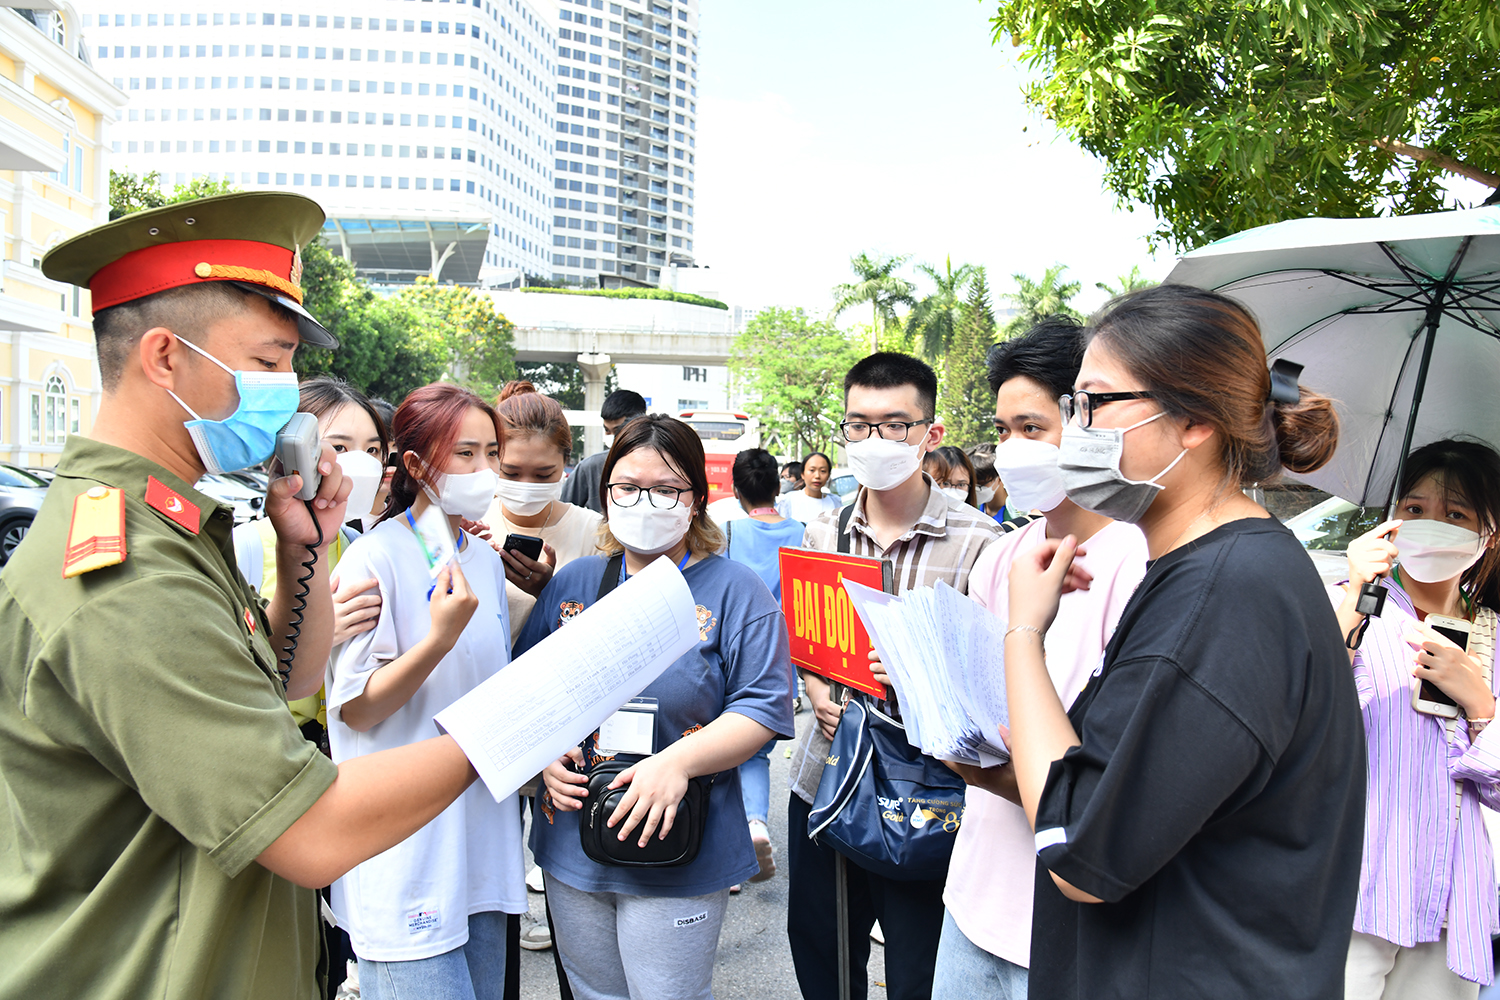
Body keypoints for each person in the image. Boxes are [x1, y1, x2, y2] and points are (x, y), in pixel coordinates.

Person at [1, 192, 490, 1000]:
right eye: (266, 364)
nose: (287, 391)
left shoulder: (169, 522)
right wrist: (521, 726)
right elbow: (313, 832)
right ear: (165, 357)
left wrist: (306, 551)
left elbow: (288, 682)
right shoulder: (127, 575)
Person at [1004, 284, 1364, 999]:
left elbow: (1081, 854)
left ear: (1195, 421)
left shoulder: (1225, 594)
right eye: (1075, 406)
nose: (1077, 431)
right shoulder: (1227, 568)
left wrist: (1023, 633)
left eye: (1095, 404)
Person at [521, 415, 795, 1000]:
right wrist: (542, 757)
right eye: (628, 487)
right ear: (606, 495)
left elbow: (764, 705)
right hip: (573, 839)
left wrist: (678, 763)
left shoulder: (736, 590)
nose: (645, 502)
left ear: (695, 500)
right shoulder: (574, 583)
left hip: (683, 844)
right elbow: (526, 693)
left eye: (666, 489)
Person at [930, 319, 1148, 1000]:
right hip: (971, 900)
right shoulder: (1001, 557)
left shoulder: (1139, 565)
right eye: (1003, 431)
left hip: (1068, 926)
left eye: (1032, 428)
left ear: (1087, 424)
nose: (1012, 451)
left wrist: (995, 772)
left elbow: (1109, 784)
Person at [786, 352, 1003, 1000]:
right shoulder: (821, 529)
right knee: (824, 956)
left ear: (930, 434)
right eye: (859, 425)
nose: (874, 440)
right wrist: (817, 688)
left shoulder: (978, 543)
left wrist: (921, 674)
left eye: (894, 425)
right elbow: (806, 642)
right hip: (824, 776)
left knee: (919, 969)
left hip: (928, 791)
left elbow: (996, 679)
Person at [326, 383, 526, 999]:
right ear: (414, 464)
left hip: (482, 843)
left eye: (491, 453)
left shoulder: (484, 561)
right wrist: (438, 639)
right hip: (404, 848)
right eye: (465, 454)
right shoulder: (373, 559)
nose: (484, 470)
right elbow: (358, 708)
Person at [230, 375, 389, 1000]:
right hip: (282, 767)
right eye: (340, 446)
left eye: (373, 448)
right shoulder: (246, 545)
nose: (360, 464)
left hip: (349, 759)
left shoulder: (363, 545)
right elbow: (246, 673)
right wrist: (318, 629)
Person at [1333, 438, 1500, 998]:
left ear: (1489, 535)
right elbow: (1296, 713)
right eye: (1415, 508)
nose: (1431, 525)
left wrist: (1480, 704)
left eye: (1456, 515)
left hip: (1452, 902)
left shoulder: (1494, 636)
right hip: (1354, 887)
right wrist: (1356, 596)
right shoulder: (1347, 604)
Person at [724, 448, 807, 887]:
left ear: (736, 490)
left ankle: (728, 854)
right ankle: (755, 823)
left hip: (734, 653)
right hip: (782, 658)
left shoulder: (728, 533)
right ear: (779, 486)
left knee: (719, 749)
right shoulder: (804, 533)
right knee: (755, 750)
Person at [482, 380, 604, 642]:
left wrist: (550, 591)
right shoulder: (470, 524)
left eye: (543, 474)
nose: (526, 486)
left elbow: (602, 632)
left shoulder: (595, 533)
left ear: (566, 461)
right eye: (511, 473)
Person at [560, 389, 647, 513]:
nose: (611, 436)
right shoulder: (590, 467)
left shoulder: (660, 464)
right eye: (607, 430)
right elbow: (563, 511)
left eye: (617, 430)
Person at [777, 451, 843, 523]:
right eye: (812, 470)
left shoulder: (835, 502)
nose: (817, 476)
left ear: (828, 475)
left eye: (823, 471)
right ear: (802, 474)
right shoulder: (789, 500)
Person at [965, 443, 1006, 519]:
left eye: (981, 484)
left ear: (1000, 477)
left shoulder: (1017, 512)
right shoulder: (970, 509)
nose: (975, 489)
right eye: (971, 483)